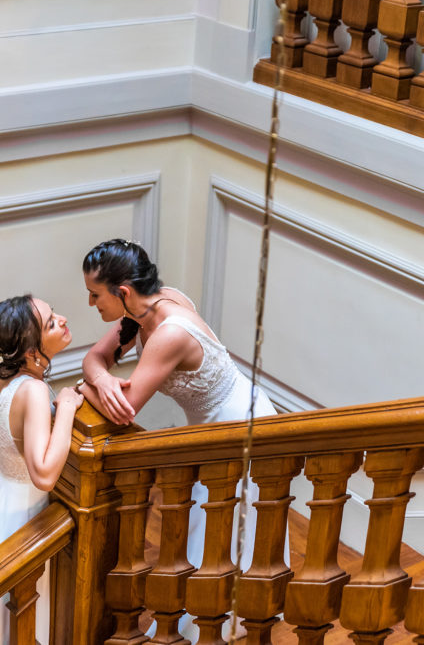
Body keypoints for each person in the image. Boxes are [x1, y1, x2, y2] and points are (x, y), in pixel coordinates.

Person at [76, 238, 281, 639]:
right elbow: (93, 359)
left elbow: (122, 410)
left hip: (241, 427)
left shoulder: (169, 331)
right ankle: (209, 612)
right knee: (209, 525)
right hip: (210, 429)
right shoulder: (142, 309)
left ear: (122, 292)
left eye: (94, 294)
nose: (90, 303)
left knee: (223, 525)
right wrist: (101, 378)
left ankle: (225, 616)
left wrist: (86, 389)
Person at [0, 294, 84, 645]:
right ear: (31, 353)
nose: (62, 319)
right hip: (24, 514)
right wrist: (67, 407)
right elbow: (43, 475)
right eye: (51, 323)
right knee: (22, 615)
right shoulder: (32, 390)